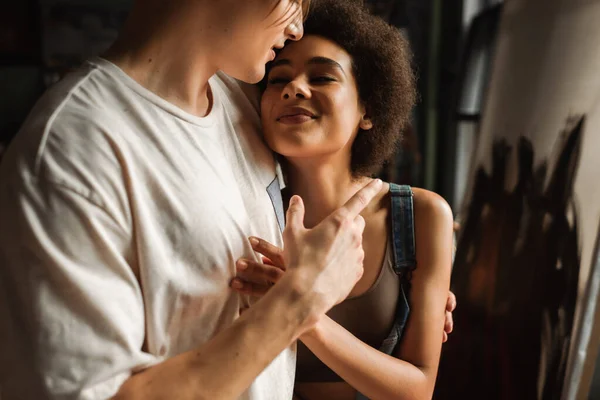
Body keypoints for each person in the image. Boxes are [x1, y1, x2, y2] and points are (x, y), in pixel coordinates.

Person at [0, 1, 454, 399]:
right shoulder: (71, 152)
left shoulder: (240, 104)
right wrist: (303, 299)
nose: (296, 27)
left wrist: (400, 305)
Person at [230, 1, 454, 399]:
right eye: (278, 79)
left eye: (322, 77)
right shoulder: (239, 212)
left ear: (368, 108)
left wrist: (302, 309)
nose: (294, 88)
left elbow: (418, 390)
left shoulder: (421, 216)